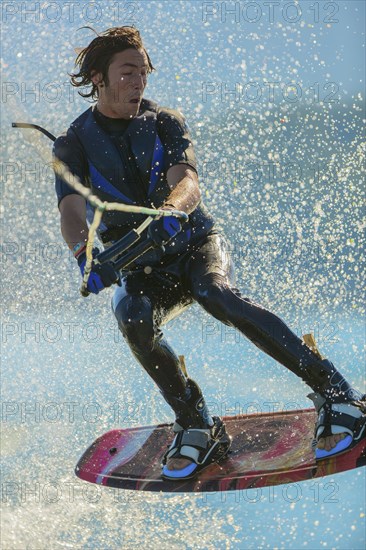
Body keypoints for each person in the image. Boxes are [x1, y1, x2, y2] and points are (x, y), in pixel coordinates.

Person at [53, 26, 365, 480]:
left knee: (215, 292)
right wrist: (85, 259)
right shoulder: (73, 144)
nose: (139, 82)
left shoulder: (164, 122)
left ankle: (337, 392)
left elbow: (188, 183)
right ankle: (197, 424)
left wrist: (172, 210)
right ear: (98, 78)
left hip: (194, 244)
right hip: (139, 265)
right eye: (128, 73)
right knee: (134, 318)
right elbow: (71, 212)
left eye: (144, 72)